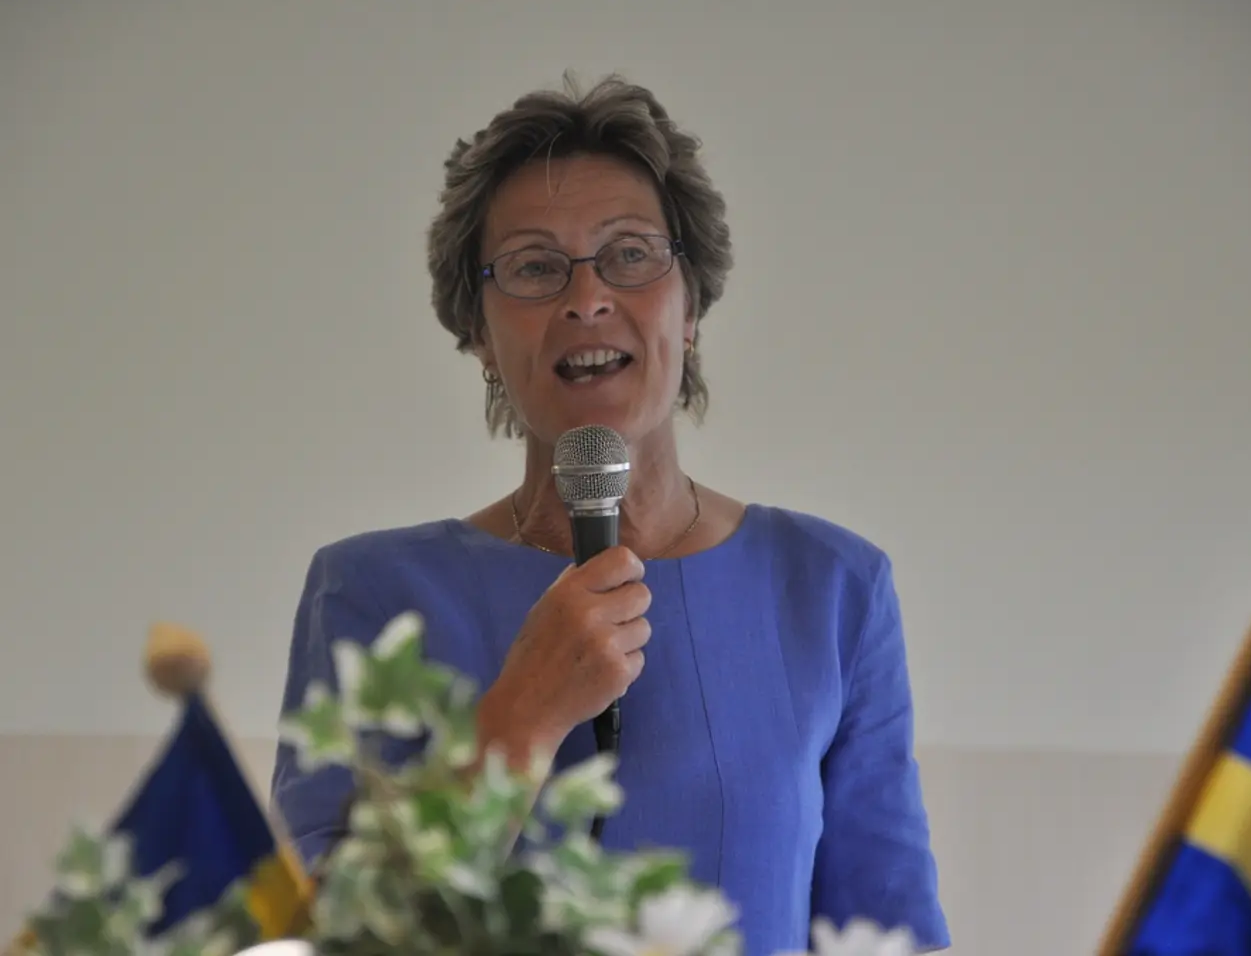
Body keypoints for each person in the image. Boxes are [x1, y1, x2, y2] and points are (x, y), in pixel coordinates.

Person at [269, 73, 950, 955]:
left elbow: (887, 933)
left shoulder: (832, 589)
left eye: (631, 255)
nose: (585, 298)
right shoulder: (365, 593)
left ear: (691, 304)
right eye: (534, 267)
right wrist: (522, 719)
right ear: (477, 332)